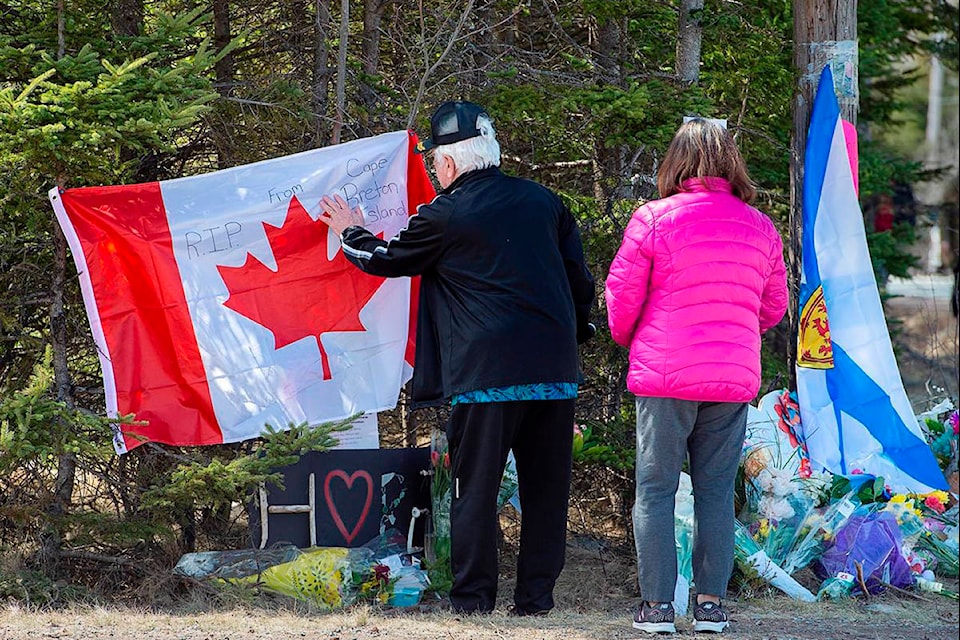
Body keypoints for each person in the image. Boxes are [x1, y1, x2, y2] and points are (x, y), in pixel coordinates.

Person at [318, 100, 596, 615]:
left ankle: (473, 602)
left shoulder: (448, 213)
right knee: (547, 494)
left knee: (476, 491)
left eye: (433, 163)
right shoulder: (546, 202)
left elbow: (386, 259)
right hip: (554, 373)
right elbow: (581, 285)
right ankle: (535, 601)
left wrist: (349, 231)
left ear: (447, 164)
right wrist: (576, 335)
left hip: (487, 375)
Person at [605, 118, 788, 634]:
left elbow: (621, 299)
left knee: (656, 490)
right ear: (731, 162)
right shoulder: (759, 226)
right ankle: (709, 606)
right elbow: (772, 307)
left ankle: (657, 607)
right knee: (715, 493)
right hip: (729, 379)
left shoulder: (653, 219)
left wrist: (634, 340)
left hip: (664, 376)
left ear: (676, 162)